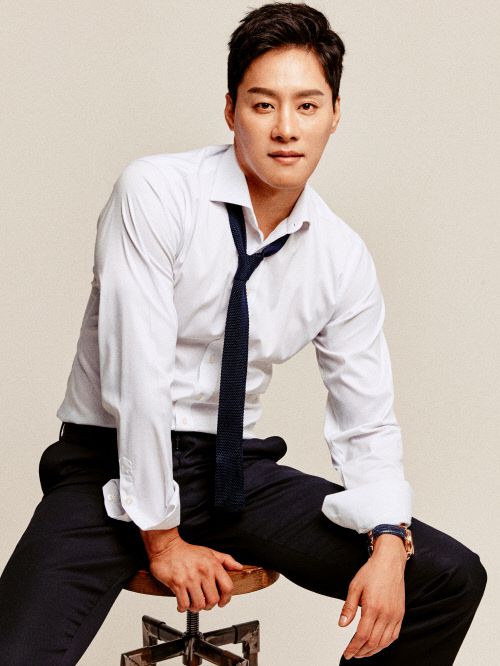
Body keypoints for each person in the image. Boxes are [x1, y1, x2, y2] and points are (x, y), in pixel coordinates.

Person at [0, 3, 487, 664]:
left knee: (449, 577)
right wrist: (163, 540)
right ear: (231, 110)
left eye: (307, 106)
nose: (286, 128)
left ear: (334, 115)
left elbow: (366, 422)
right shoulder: (156, 192)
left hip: (230, 471)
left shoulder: (339, 255)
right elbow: (137, 377)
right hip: (108, 464)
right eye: (263, 105)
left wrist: (389, 540)